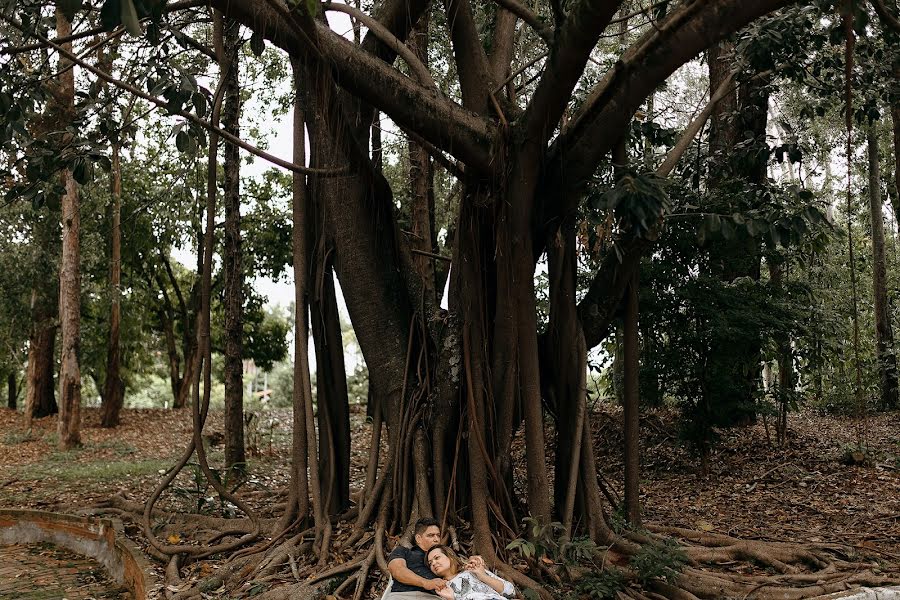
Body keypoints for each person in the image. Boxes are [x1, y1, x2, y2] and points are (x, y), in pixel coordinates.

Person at [386, 517, 447, 600]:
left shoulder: (444, 558)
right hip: (403, 596)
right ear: (418, 538)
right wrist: (426, 583)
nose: (436, 539)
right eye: (431, 535)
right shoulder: (404, 551)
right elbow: (397, 570)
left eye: (438, 535)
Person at [425, 545, 515, 600]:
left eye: (437, 558)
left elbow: (510, 592)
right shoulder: (443, 588)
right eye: (430, 563)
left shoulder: (472, 571)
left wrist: (483, 576)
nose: (433, 563)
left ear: (450, 557)